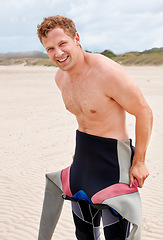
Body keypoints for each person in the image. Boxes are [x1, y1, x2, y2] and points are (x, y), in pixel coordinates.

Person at [37, 15, 153, 240]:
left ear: (76, 38)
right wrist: (81, 152)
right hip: (83, 160)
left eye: (62, 44)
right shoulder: (60, 78)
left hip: (112, 164)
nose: (58, 53)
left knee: (116, 236)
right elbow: (85, 117)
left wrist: (139, 161)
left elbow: (144, 112)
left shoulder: (106, 72)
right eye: (50, 48)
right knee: (84, 234)